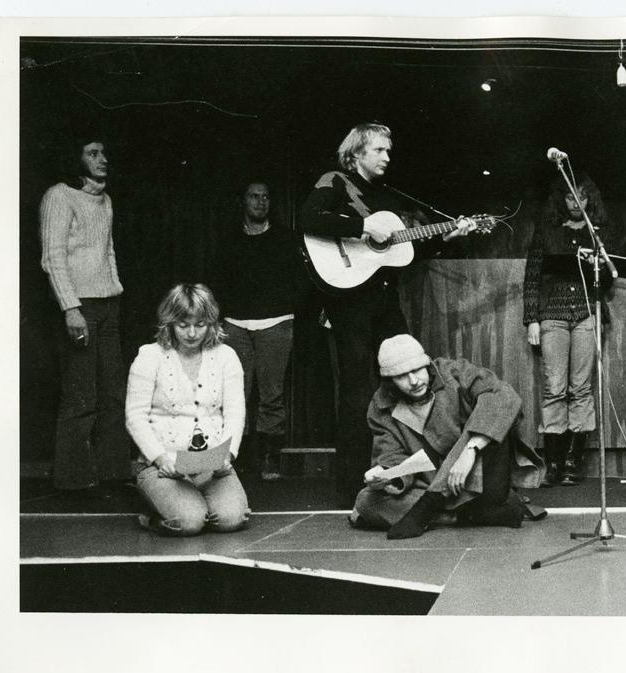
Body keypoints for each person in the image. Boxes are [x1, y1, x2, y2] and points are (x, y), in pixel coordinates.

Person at [299, 122, 472, 508]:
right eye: (379, 150)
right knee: (358, 390)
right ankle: (351, 486)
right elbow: (308, 219)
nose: (387, 157)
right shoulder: (335, 181)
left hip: (383, 299)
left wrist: (444, 239)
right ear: (356, 152)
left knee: (406, 375)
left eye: (388, 151)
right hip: (349, 301)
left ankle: (401, 473)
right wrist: (363, 226)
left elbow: (399, 252)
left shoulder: (386, 195)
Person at [352, 335, 544, 540]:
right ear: (390, 380)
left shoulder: (454, 372)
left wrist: (470, 450)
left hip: (479, 477)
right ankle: (466, 516)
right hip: (432, 485)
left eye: (417, 370)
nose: (414, 381)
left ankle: (429, 507)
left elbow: (503, 395)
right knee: (366, 501)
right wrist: (386, 474)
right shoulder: (380, 406)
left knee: (486, 421)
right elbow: (392, 456)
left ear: (427, 364)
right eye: (401, 377)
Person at [38, 134, 132, 493]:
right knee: (81, 395)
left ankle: (113, 474)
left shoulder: (105, 199)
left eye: (104, 152)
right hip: (80, 307)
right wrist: (71, 308)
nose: (102, 159)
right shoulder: (59, 196)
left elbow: (108, 252)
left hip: (109, 306)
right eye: (93, 153)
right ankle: (74, 482)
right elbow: (53, 257)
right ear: (75, 159)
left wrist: (114, 289)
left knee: (113, 393)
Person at [124, 284, 250, 535]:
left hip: (212, 466)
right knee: (190, 522)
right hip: (163, 466)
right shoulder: (149, 356)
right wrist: (160, 458)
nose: (192, 333)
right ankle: (154, 512)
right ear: (169, 323)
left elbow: (235, 414)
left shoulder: (226, 356)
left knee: (231, 519)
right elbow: (135, 417)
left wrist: (228, 456)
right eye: (183, 325)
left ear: (211, 323)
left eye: (200, 325)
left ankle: (184, 504)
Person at [524, 176, 613, 487]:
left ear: (590, 200)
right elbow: (532, 276)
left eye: (583, 197)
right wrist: (531, 319)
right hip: (552, 315)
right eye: (571, 197)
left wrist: (596, 262)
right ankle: (554, 463)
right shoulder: (547, 231)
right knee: (554, 388)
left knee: (581, 388)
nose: (577, 203)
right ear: (561, 199)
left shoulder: (596, 233)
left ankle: (574, 462)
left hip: (587, 313)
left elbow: (609, 281)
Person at [214, 180, 306, 481]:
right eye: (254, 196)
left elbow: (299, 279)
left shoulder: (285, 238)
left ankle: (270, 457)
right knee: (235, 393)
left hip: (275, 323)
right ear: (243, 201)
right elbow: (218, 281)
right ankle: (237, 457)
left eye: (265, 196)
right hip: (235, 325)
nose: (260, 202)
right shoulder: (229, 239)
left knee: (271, 395)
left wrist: (287, 310)